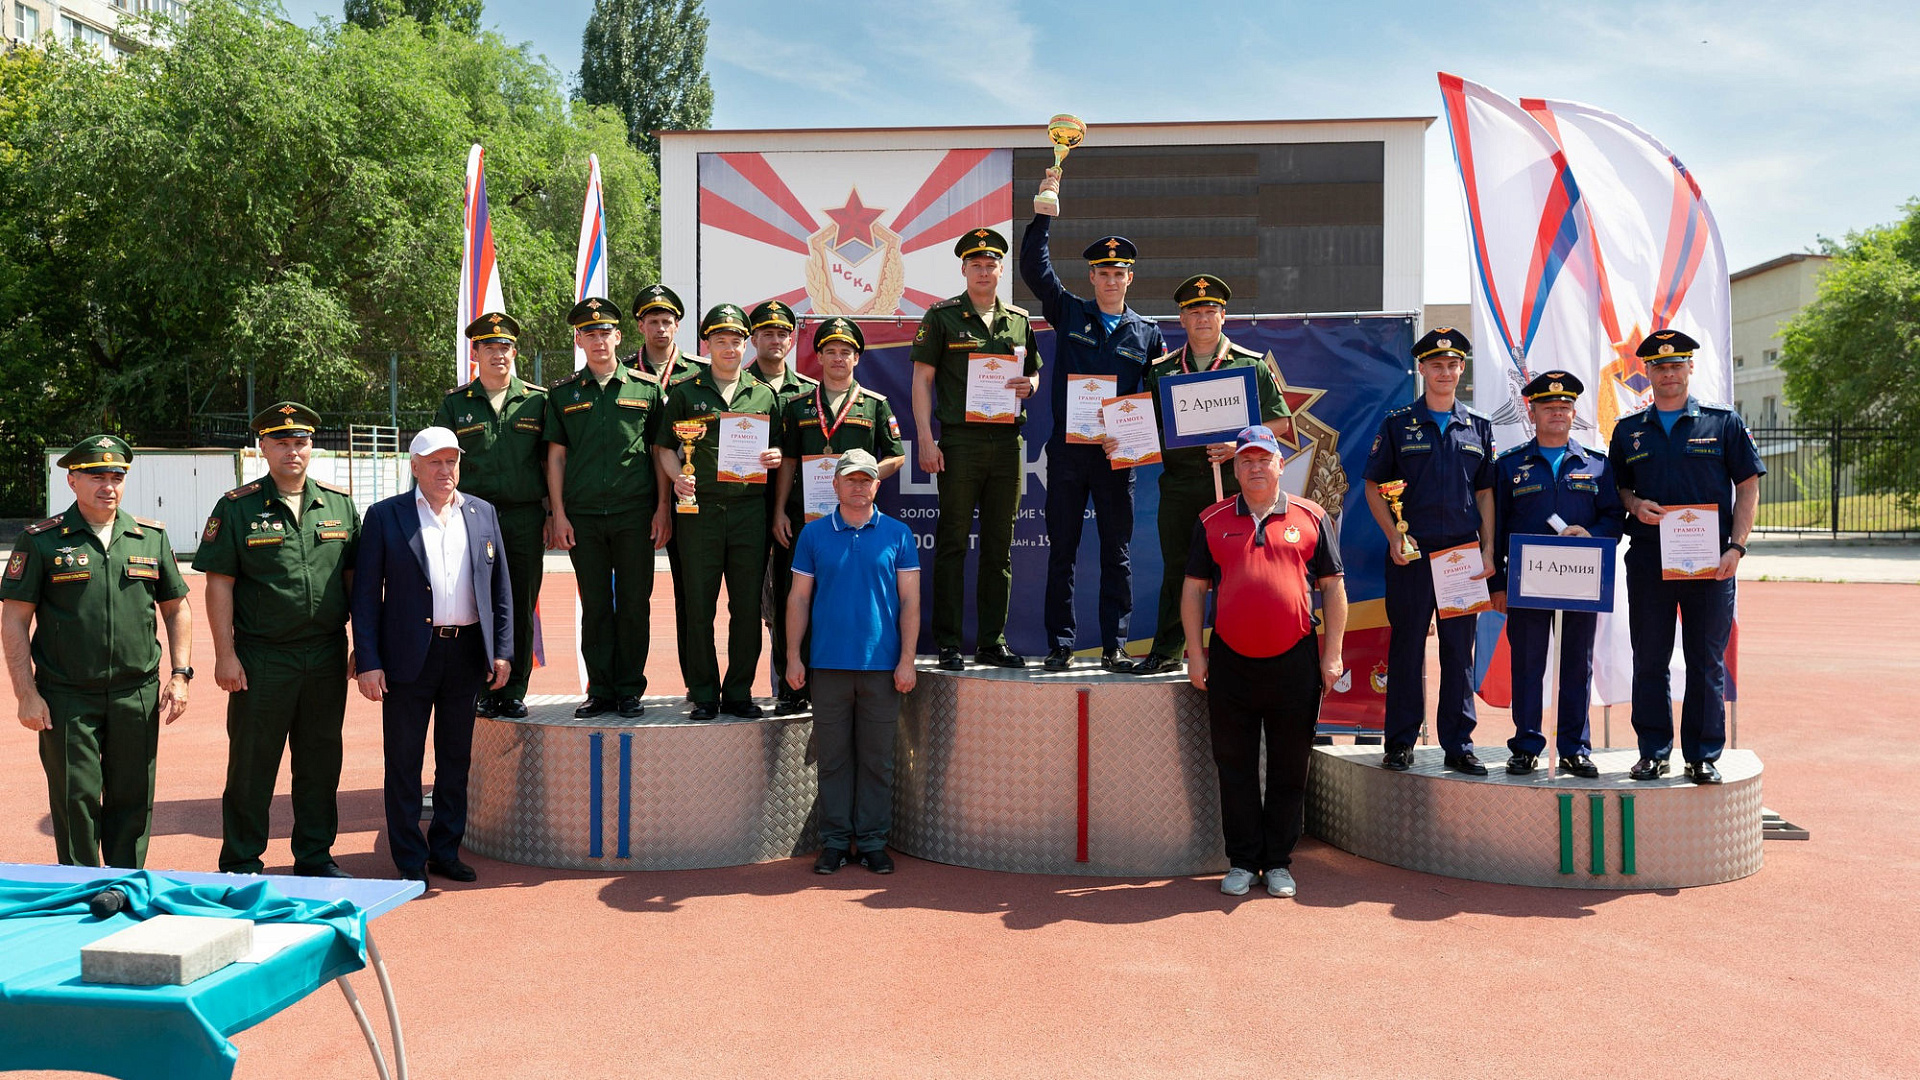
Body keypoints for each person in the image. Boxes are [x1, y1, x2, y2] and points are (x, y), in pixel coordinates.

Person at [3, 436, 192, 869]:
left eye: (116, 476)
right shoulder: (42, 541)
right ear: (72, 481)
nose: (108, 485)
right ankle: (80, 889)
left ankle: (124, 885)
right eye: (96, 476)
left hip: (136, 693)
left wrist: (181, 673)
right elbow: (14, 620)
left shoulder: (149, 537)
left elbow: (177, 607)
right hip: (67, 695)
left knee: (133, 797)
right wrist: (25, 694)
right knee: (76, 798)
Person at [193, 403, 360, 876]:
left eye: (301, 442)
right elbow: (219, 583)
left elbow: (356, 581)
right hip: (262, 656)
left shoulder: (339, 504)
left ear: (312, 447)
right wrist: (225, 654)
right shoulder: (237, 506)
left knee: (321, 762)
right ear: (262, 448)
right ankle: (243, 860)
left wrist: (362, 643)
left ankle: (314, 855)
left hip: (326, 655)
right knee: (251, 765)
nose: (292, 450)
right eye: (281, 442)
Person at [1181, 427, 1345, 898]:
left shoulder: (1311, 516)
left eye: (1264, 459)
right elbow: (1193, 589)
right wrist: (1196, 654)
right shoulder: (1211, 520)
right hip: (1231, 658)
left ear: (1279, 464)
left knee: (1290, 765)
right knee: (1233, 762)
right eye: (1247, 460)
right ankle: (1242, 860)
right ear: (1236, 468)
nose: (1256, 467)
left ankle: (1277, 862)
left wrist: (1331, 654)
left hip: (1295, 657)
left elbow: (1333, 588)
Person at [350, 427, 512, 884]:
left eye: (452, 461)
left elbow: (500, 591)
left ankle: (445, 849)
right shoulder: (385, 516)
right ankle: (407, 858)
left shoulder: (482, 513)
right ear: (415, 465)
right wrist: (369, 660)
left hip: (464, 655)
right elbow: (365, 595)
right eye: (435, 462)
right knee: (403, 761)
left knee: (455, 759)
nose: (445, 471)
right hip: (406, 658)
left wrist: (502, 651)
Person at [1020, 170, 1165, 673]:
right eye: (1102, 272)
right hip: (1067, 454)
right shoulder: (1069, 311)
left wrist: (1139, 437)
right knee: (1061, 550)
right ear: (1092, 278)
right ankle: (1060, 645)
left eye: (1118, 272)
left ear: (1130, 278)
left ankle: (1114, 646)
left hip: (1115, 457)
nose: (1109, 280)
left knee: (1116, 554)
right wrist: (1044, 212)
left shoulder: (1147, 333)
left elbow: (1159, 397)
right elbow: (1036, 270)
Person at [1608, 329, 1763, 784]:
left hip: (1712, 564)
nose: (1668, 373)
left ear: (1690, 368)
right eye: (1659, 366)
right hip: (1650, 560)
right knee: (1650, 658)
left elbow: (1749, 485)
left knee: (1705, 660)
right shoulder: (1629, 430)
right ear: (1647, 372)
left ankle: (1702, 755)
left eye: (1677, 364)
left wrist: (1737, 546)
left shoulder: (1723, 422)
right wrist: (1634, 505)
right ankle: (1653, 751)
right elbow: (1616, 486)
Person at [1131, 274, 1291, 676]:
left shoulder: (1249, 365)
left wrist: (1240, 447)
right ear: (1181, 319)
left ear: (1224, 317)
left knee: (1237, 570)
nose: (1203, 319)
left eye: (1210, 311)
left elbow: (1282, 423)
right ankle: (1168, 651)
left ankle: (1236, 649)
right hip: (1181, 485)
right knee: (1179, 569)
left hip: (1235, 487)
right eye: (1194, 312)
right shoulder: (1162, 370)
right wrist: (1120, 437)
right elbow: (1145, 425)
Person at [1362, 327, 1497, 775]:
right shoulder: (1397, 424)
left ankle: (1458, 744)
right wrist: (1393, 536)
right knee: (1406, 648)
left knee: (1459, 651)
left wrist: (1489, 550)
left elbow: (1485, 495)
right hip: (1412, 555)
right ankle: (1400, 742)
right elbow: (1373, 486)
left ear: (1462, 368)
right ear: (1421, 368)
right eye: (1435, 364)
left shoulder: (1479, 426)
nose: (1444, 371)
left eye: (1452, 364)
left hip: (1461, 554)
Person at [910, 227, 1041, 671]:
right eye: (976, 265)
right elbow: (922, 381)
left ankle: (991, 640)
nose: (984, 271)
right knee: (950, 544)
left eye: (991, 265)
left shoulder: (1019, 320)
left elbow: (1034, 374)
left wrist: (1031, 384)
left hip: (1007, 442)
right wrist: (926, 440)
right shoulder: (942, 317)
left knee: (999, 548)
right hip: (960, 441)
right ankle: (948, 642)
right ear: (963, 269)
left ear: (1001, 270)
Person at [785, 449, 920, 875]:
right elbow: (799, 599)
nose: (858, 487)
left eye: (866, 480)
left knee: (877, 759)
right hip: (828, 667)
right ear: (835, 484)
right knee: (834, 759)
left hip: (883, 669)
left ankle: (874, 842)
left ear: (877, 485)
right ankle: (836, 842)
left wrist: (907, 661)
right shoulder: (813, 535)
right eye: (851, 480)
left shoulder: (898, 534)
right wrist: (792, 655)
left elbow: (910, 601)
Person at [1488, 371, 1624, 777]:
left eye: (1564, 408)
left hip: (1580, 583)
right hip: (1527, 583)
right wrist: (1496, 585)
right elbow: (1494, 528)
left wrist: (1592, 533)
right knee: (1527, 664)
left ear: (1574, 413)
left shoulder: (1597, 465)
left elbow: (1614, 517)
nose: (1557, 414)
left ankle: (1574, 747)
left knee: (1576, 665)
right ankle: (1527, 744)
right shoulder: (1510, 466)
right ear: (1532, 413)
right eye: (1549, 408)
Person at [654, 304, 785, 720]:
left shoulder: (764, 394)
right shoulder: (685, 391)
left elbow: (782, 449)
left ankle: (740, 691)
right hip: (699, 512)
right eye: (721, 340)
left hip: (749, 511)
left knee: (746, 606)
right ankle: (705, 692)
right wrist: (678, 477)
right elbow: (663, 448)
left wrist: (774, 455)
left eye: (736, 341)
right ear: (706, 344)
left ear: (746, 344)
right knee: (699, 605)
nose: (729, 348)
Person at [545, 297, 673, 719]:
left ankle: (629, 689)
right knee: (596, 605)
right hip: (583, 516)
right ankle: (600, 689)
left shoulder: (647, 388)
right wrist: (558, 514)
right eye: (589, 333)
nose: (598, 340)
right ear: (578, 340)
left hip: (635, 514)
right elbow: (557, 458)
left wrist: (662, 510)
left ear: (619, 337)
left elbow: (659, 454)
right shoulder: (562, 394)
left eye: (605, 332)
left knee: (635, 603)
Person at [770, 317, 905, 714]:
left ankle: (837, 685)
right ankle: (793, 687)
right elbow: (789, 462)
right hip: (806, 521)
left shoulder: (875, 405)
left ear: (857, 358)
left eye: (845, 351)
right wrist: (778, 510)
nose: (838, 358)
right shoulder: (797, 406)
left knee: (846, 600)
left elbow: (896, 453)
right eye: (830, 351)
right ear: (820, 357)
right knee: (794, 601)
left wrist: (862, 478)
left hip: (854, 523)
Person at [435, 311, 548, 720]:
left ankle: (514, 689)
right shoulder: (455, 405)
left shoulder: (538, 400)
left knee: (520, 604)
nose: (498, 354)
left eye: (505, 347)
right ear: (475, 353)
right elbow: (440, 463)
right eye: (489, 347)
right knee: (475, 602)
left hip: (523, 517)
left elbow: (550, 461)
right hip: (471, 519)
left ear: (514, 352)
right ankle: (483, 687)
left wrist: (552, 513)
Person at [624, 283, 705, 692]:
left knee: (692, 594)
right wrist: (658, 503)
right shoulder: (622, 371)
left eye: (667, 321)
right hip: (637, 500)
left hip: (690, 496)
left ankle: (696, 682)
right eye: (653, 321)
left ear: (678, 326)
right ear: (640, 325)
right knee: (632, 598)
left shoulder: (699, 374)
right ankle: (623, 684)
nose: (661, 328)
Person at [743, 299, 819, 708]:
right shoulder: (733, 385)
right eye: (766, 333)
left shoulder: (808, 392)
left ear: (792, 341)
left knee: (791, 598)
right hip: (743, 507)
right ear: (753, 338)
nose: (774, 340)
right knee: (748, 603)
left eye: (782, 333)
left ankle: (789, 686)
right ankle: (734, 689)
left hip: (793, 512)